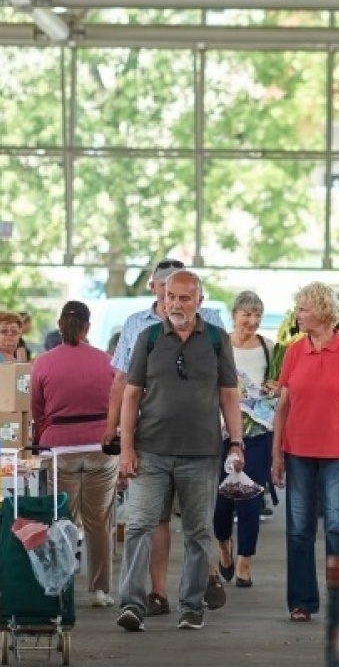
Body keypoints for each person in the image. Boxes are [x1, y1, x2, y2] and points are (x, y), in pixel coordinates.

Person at [116, 270, 244, 633]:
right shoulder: (149, 338)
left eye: (184, 298)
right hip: (150, 452)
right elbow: (131, 394)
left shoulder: (218, 341)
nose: (175, 303)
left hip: (202, 453)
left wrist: (236, 443)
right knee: (139, 525)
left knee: (198, 532)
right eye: (170, 296)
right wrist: (126, 448)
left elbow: (229, 395)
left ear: (199, 302)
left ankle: (192, 606)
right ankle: (132, 604)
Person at [271, 282, 339, 623]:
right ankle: (302, 601)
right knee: (299, 529)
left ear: (321, 312)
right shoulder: (294, 352)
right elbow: (283, 406)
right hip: (298, 451)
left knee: (336, 526)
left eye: (303, 309)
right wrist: (276, 454)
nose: (298, 315)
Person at [30, 301, 119, 608]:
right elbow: (117, 404)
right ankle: (99, 590)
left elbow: (37, 409)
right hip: (100, 447)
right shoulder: (107, 361)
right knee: (99, 521)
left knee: (61, 520)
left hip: (59, 448)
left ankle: (60, 586)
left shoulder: (43, 362)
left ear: (59, 325)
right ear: (88, 327)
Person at [215, 291, 277, 590]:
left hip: (257, 433)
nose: (251, 322)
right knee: (221, 501)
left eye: (257, 316)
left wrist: (274, 386)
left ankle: (244, 562)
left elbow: (279, 384)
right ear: (234, 314)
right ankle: (224, 544)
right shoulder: (219, 344)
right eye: (246, 315)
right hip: (220, 435)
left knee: (251, 500)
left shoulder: (269, 347)